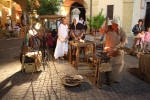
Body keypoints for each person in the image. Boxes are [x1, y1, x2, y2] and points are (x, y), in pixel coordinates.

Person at [100, 18, 127, 84]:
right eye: (113, 24)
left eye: (115, 25)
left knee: (116, 65)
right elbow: (101, 31)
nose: (113, 26)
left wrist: (119, 46)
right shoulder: (108, 28)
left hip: (116, 50)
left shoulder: (121, 31)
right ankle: (106, 78)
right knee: (105, 63)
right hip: (108, 49)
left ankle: (114, 78)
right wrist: (106, 23)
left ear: (118, 25)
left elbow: (125, 41)